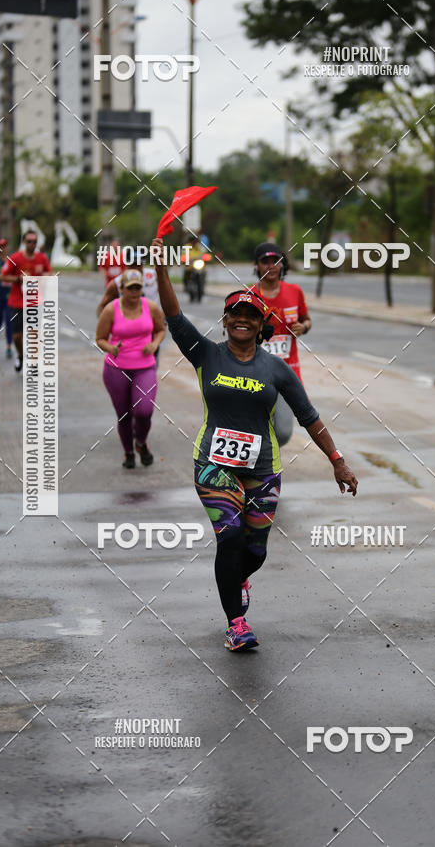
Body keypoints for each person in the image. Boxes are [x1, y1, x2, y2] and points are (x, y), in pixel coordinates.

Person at [154, 240, 358, 652]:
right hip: (214, 465)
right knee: (229, 538)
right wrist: (161, 269)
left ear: (262, 324)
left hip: (263, 469)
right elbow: (174, 316)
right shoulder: (205, 354)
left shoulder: (276, 369)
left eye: (251, 315)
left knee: (255, 550)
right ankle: (236, 623)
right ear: (225, 321)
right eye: (235, 314)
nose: (243, 320)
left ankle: (238, 577)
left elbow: (309, 417)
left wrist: (337, 461)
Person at [95, 269, 166, 469]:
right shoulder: (111, 309)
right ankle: (128, 453)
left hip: (145, 367)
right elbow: (99, 338)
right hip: (116, 369)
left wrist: (154, 344)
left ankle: (141, 442)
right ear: (122, 289)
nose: (134, 292)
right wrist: (111, 348)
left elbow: (161, 329)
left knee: (144, 411)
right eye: (130, 288)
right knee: (124, 415)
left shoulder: (151, 307)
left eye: (138, 288)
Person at [253, 242, 312, 446]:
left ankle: (266, 460)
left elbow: (307, 319)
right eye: (265, 261)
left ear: (282, 265)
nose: (271, 266)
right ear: (257, 265)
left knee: (284, 432)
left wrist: (303, 327)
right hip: (257, 372)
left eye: (276, 261)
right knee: (258, 429)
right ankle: (264, 470)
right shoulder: (250, 295)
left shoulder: (295, 291)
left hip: (288, 371)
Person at [1, 230, 51, 372]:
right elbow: (3, 276)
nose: (32, 244)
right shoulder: (15, 258)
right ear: (24, 242)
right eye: (29, 241)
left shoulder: (42, 258)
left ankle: (33, 363)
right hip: (17, 302)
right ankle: (21, 355)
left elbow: (49, 272)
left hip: (36, 302)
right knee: (17, 336)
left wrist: (40, 277)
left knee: (34, 333)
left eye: (34, 242)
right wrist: (19, 278)